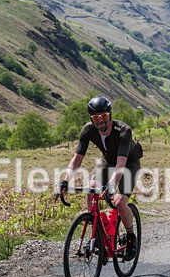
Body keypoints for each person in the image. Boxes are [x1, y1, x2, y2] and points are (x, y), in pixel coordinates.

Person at [59, 96, 143, 260]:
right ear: (91, 118)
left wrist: (111, 185)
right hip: (107, 161)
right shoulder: (88, 130)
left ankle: (131, 236)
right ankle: (97, 234)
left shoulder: (123, 131)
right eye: (96, 118)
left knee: (119, 201)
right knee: (91, 190)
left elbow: (120, 165)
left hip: (128, 164)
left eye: (104, 116)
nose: (100, 121)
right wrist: (65, 181)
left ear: (110, 115)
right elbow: (76, 160)